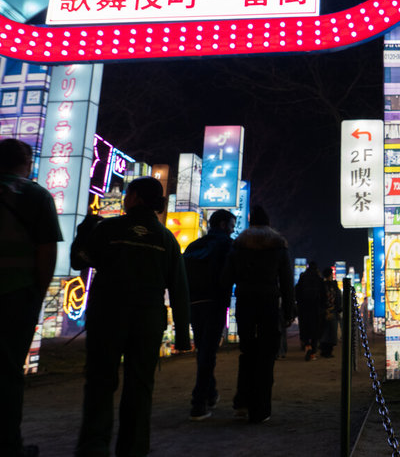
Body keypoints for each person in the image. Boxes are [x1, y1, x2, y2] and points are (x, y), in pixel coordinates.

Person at [72, 176, 190, 457]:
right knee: (139, 385)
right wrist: (183, 335)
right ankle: (133, 448)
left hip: (107, 316)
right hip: (147, 320)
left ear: (135, 197)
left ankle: (93, 448)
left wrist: (87, 227)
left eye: (127, 194)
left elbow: (79, 260)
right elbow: (179, 289)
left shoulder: (108, 229)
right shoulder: (167, 239)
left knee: (100, 382)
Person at [0, 139, 62, 457]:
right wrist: (39, 292)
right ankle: (8, 444)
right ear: (26, 161)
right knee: (9, 372)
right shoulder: (36, 194)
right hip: (16, 294)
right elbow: (47, 249)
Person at [224, 205, 294, 423]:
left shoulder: (239, 244)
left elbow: (227, 277)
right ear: (268, 222)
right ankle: (261, 409)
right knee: (266, 356)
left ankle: (242, 401)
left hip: (244, 302)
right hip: (269, 304)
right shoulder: (278, 245)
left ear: (250, 221)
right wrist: (289, 310)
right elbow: (286, 282)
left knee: (247, 352)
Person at [183, 209, 236, 421]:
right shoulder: (227, 246)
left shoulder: (194, 245)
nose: (232, 230)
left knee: (204, 351)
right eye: (231, 226)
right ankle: (199, 402)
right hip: (215, 303)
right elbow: (232, 274)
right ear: (223, 225)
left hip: (194, 303)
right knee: (208, 352)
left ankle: (210, 393)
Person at [294, 261, 325, 361]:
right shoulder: (319, 279)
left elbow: (297, 291)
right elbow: (323, 295)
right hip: (316, 309)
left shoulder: (303, 277)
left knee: (305, 330)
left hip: (304, 309)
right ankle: (313, 352)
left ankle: (307, 347)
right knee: (315, 331)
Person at [319, 267, 342, 358]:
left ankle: (324, 350)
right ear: (330, 275)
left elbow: (320, 299)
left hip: (324, 311)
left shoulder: (321, 285)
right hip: (333, 311)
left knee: (324, 331)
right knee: (331, 332)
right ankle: (328, 351)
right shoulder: (334, 286)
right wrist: (338, 308)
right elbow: (338, 299)